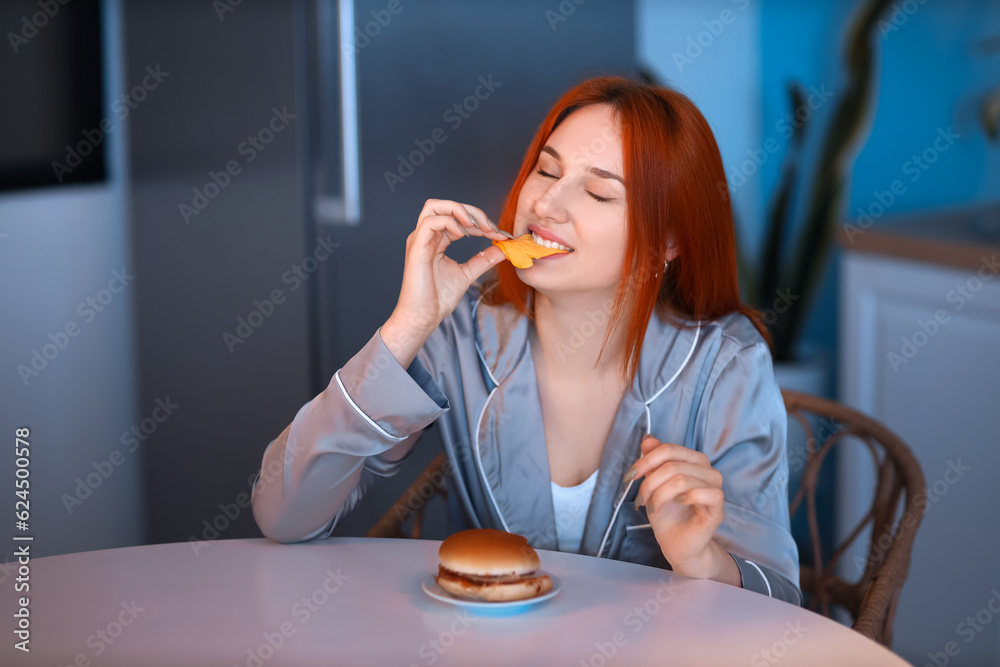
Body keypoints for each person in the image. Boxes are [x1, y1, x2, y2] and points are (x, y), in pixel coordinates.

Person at [251, 76, 802, 606]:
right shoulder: (458, 335)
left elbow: (781, 600)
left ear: (669, 241)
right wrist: (407, 326)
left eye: (597, 193)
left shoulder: (726, 365)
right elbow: (284, 515)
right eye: (546, 170)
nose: (545, 205)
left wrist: (703, 563)